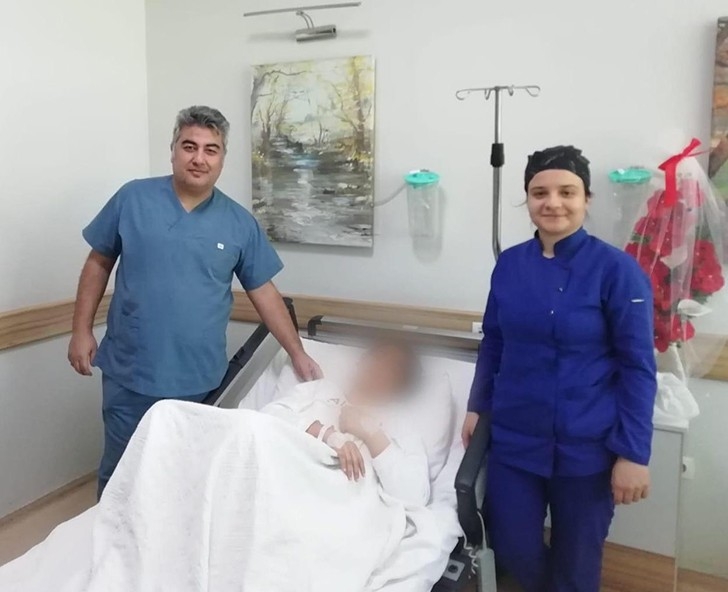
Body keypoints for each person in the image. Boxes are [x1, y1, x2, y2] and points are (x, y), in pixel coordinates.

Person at [68, 105, 322, 499]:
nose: (199, 158)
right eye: (189, 146)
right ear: (173, 150)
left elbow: (265, 292)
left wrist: (297, 351)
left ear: (222, 159)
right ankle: (110, 539)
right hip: (131, 372)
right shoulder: (133, 199)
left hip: (199, 380)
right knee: (122, 477)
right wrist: (80, 330)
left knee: (187, 481)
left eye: (210, 149)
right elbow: (97, 263)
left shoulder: (239, 223)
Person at [461, 146, 657, 592]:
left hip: (587, 448)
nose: (553, 203)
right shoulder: (510, 265)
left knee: (578, 564)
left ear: (586, 198)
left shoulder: (617, 270)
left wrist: (633, 453)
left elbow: (638, 367)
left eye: (567, 192)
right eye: (540, 193)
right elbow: (494, 341)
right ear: (527, 199)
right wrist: (477, 405)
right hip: (515, 442)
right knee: (513, 548)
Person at [262, 339, 430, 505]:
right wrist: (326, 434)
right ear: (362, 362)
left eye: (393, 370)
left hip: (339, 505)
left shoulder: (400, 425)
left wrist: (370, 433)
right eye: (380, 358)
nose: (381, 370)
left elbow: (414, 496)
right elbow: (265, 418)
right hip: (287, 482)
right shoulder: (321, 390)